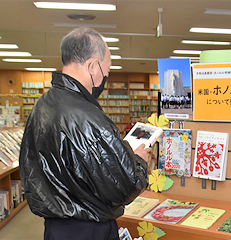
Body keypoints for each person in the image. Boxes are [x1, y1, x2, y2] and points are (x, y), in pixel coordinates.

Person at [19, 27, 151, 240]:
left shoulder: (42, 105)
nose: (105, 76)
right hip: (88, 228)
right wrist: (138, 161)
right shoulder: (88, 117)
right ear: (93, 66)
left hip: (55, 227)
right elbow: (122, 188)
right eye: (106, 70)